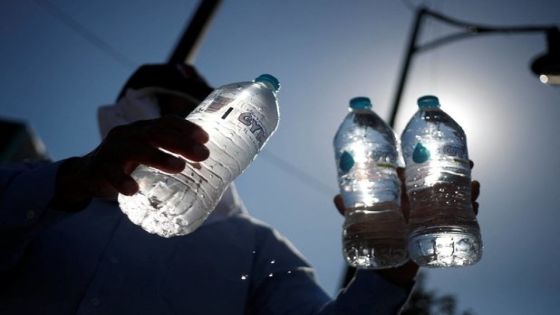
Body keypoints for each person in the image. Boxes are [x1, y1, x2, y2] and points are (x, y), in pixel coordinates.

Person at [0, 63, 479, 315]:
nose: (179, 127)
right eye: (161, 109)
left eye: (191, 114)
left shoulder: (254, 246)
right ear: (124, 114)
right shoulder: (35, 189)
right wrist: (70, 183)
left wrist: (393, 271)